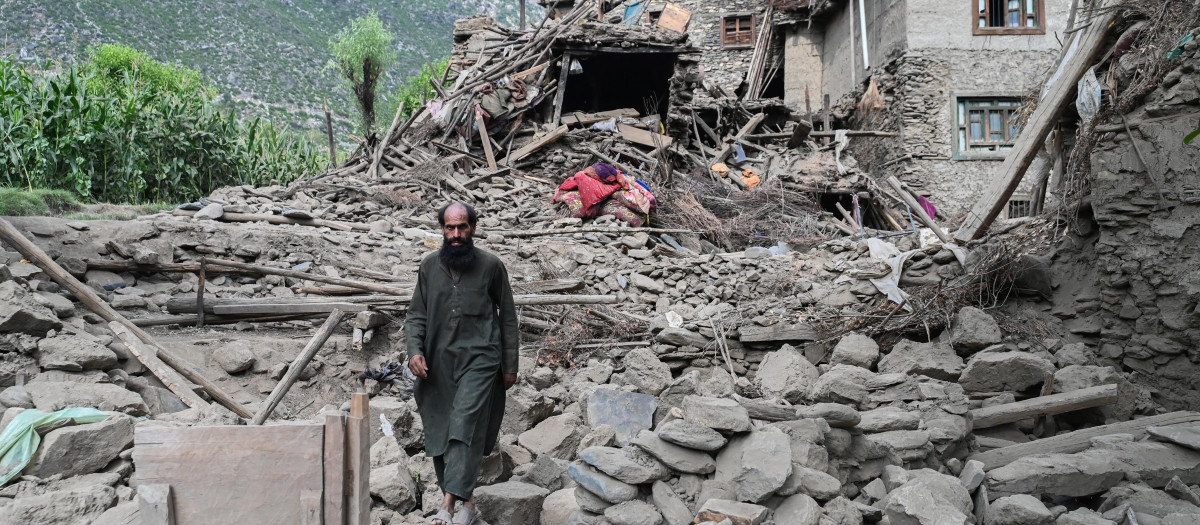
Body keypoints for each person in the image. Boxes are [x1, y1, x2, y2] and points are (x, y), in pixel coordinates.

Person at [405, 201, 519, 525]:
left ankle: (447, 506)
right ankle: (469, 504)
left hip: (482, 359)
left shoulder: (491, 266)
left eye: (462, 227)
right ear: (442, 229)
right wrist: (414, 351)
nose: (456, 234)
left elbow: (508, 318)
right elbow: (415, 316)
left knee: (464, 423)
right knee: (442, 428)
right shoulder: (428, 267)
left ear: (473, 228)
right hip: (439, 362)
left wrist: (510, 365)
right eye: (450, 228)